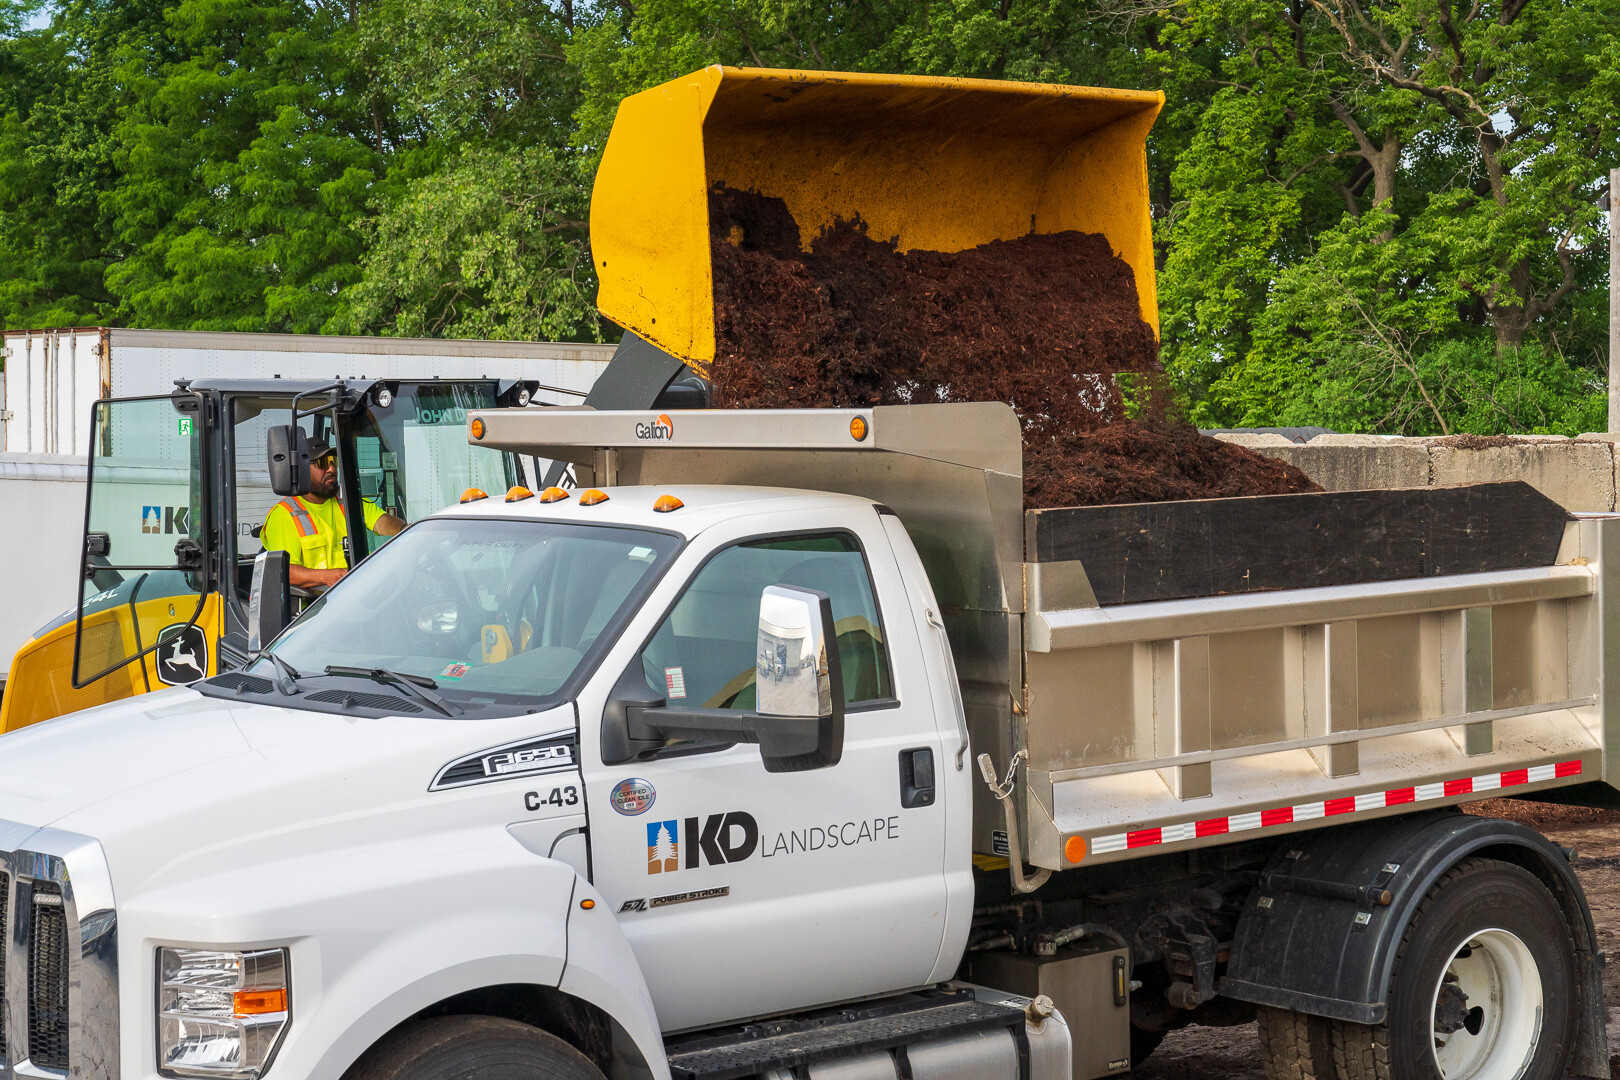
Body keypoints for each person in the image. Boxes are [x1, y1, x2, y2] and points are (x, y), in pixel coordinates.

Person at [261, 439, 405, 589]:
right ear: (302, 470)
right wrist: (330, 577)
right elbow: (285, 571)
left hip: (356, 593)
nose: (331, 469)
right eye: (322, 463)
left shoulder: (348, 502)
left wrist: (407, 530)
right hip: (317, 607)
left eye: (333, 461)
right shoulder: (284, 515)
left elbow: (384, 523)